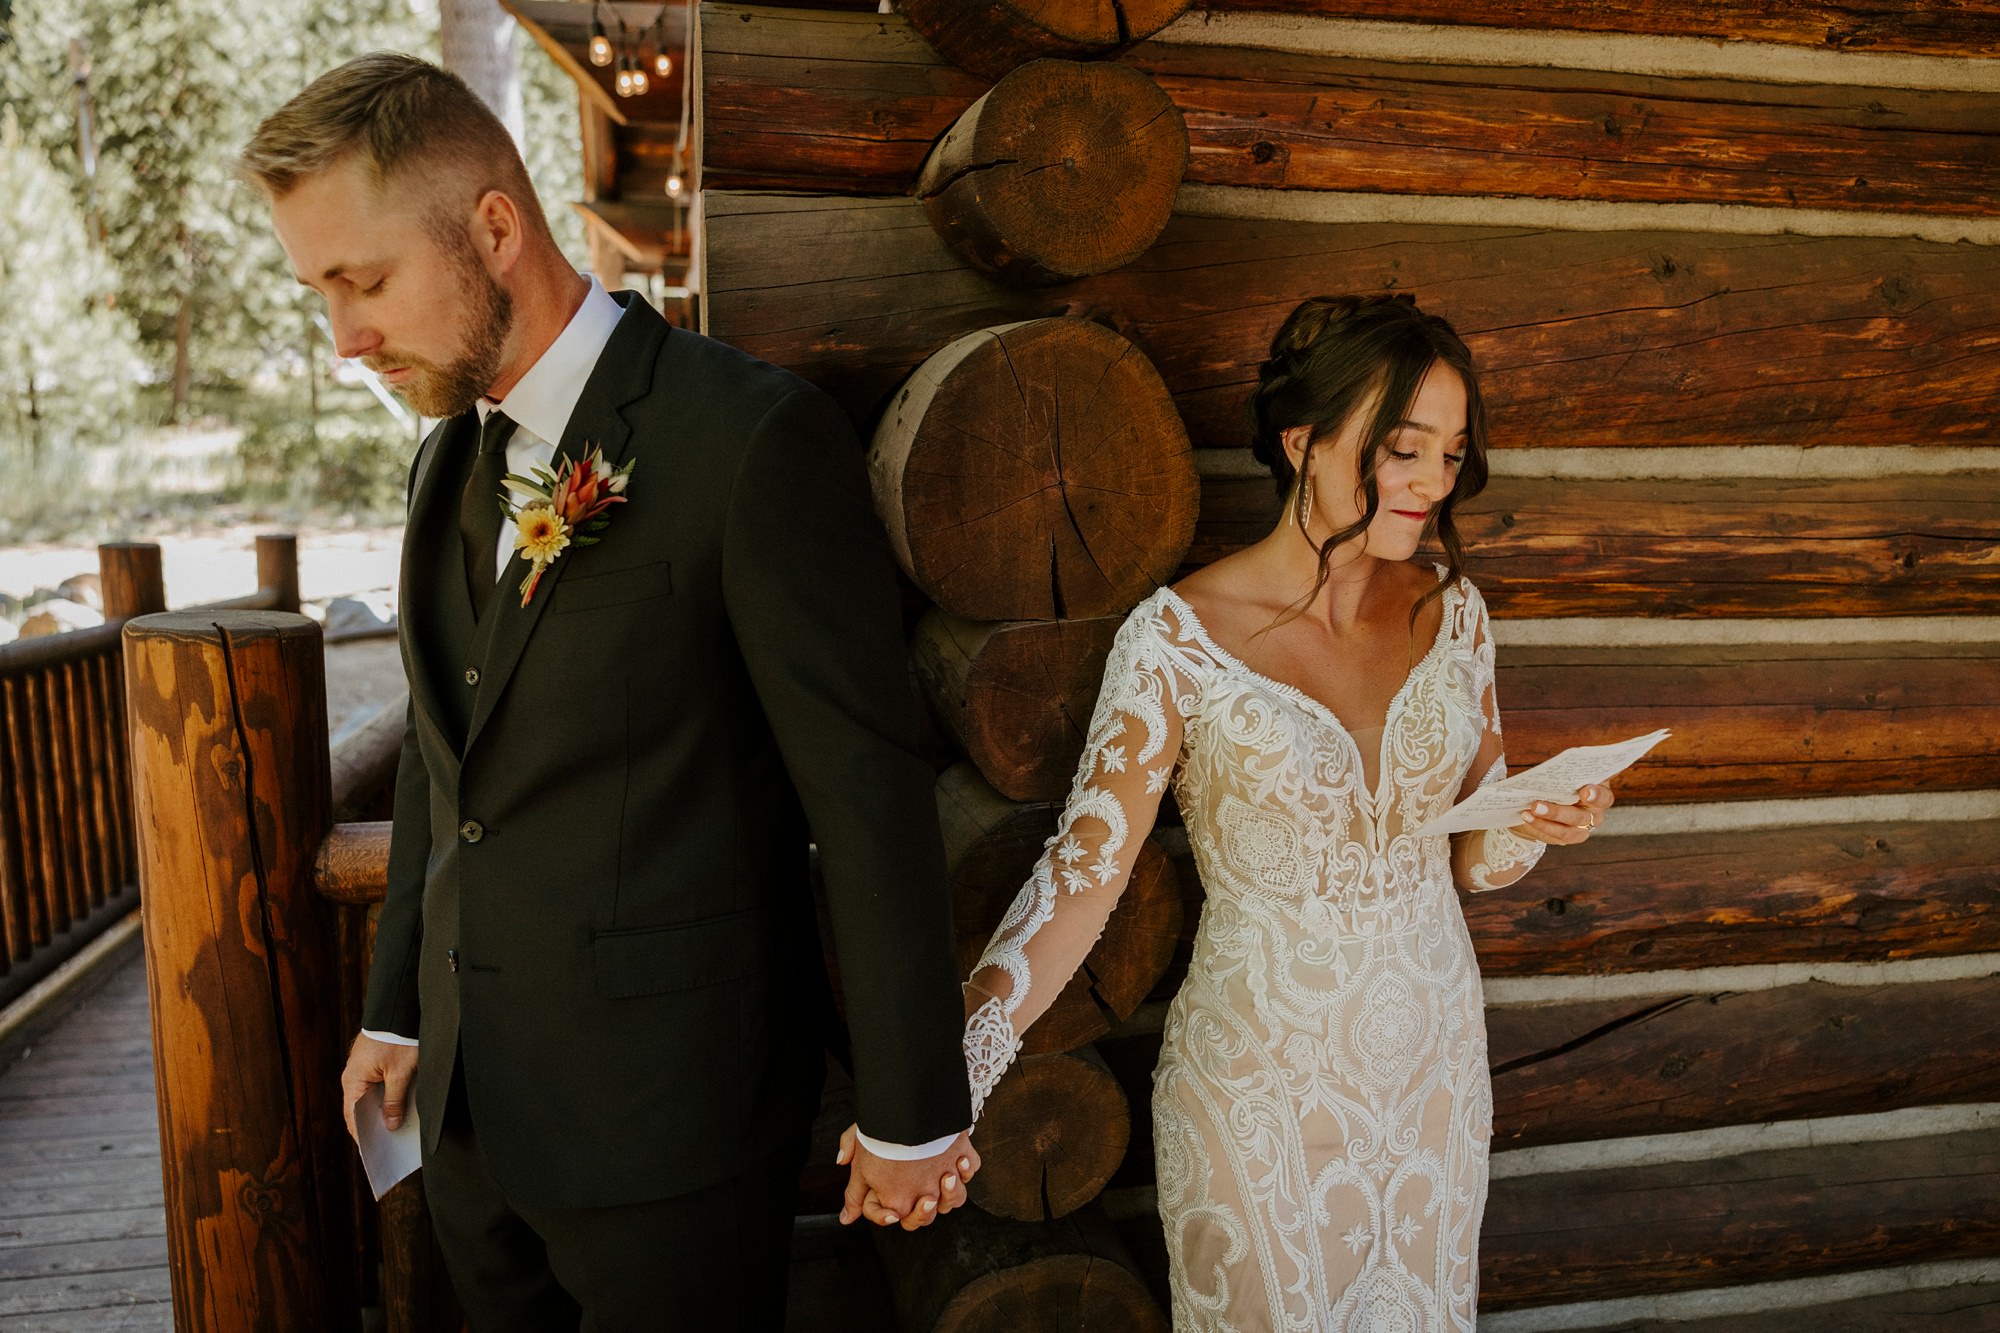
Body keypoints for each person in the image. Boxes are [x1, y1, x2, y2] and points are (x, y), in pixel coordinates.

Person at [239, 54, 974, 1329]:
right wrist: (403, 1009)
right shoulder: (442, 467)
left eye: (362, 282)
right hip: (470, 1124)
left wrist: (912, 1106)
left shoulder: (744, 439)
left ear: (495, 226)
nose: (344, 337)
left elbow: (863, 792)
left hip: (672, 1132)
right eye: (319, 293)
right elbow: (438, 746)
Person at [957, 294, 1616, 1331]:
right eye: (1402, 448)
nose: (1432, 482)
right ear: (1301, 441)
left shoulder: (1455, 611)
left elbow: (1470, 854)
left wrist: (1535, 821)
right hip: (1259, 1088)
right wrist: (954, 1063)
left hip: (1433, 1075)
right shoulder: (1175, 637)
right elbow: (1080, 881)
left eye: (1450, 453)